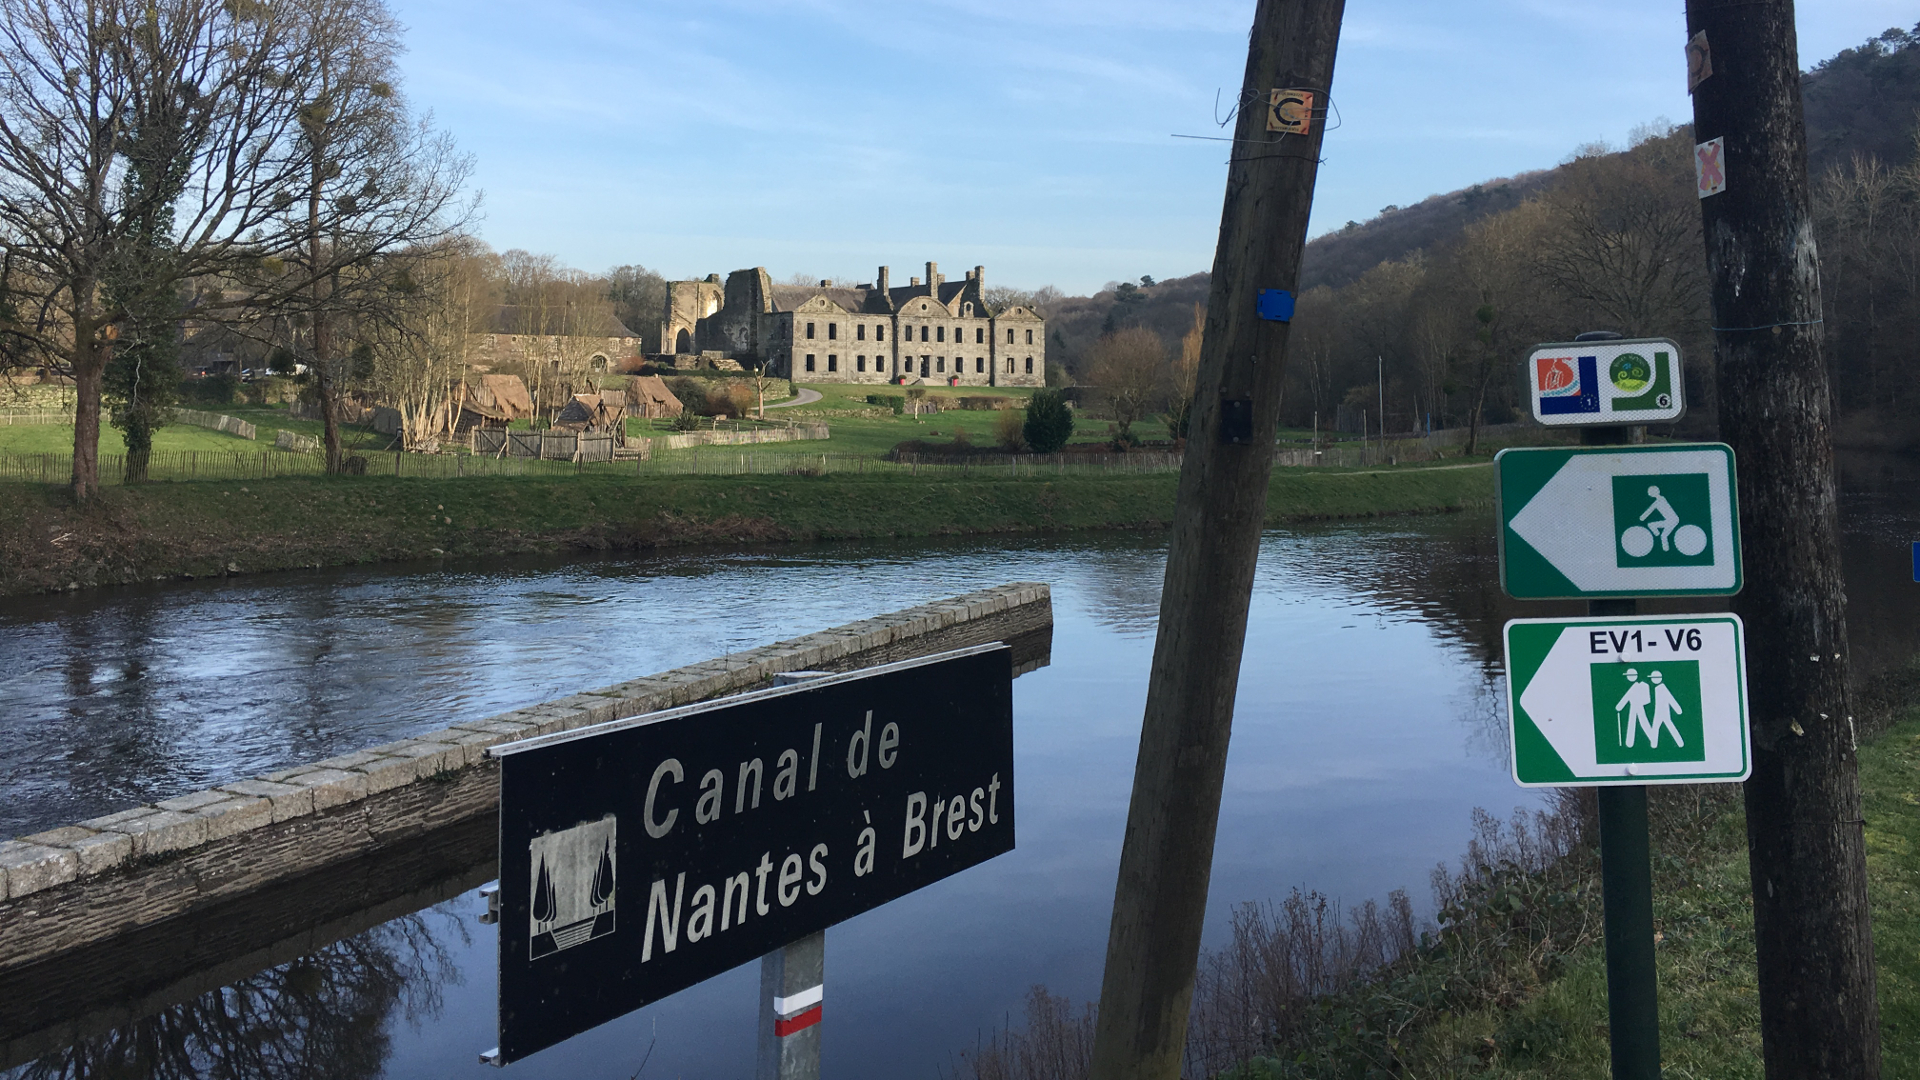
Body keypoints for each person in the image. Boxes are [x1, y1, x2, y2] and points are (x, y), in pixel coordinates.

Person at [1614, 668, 1652, 748]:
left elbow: (1647, 699)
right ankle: (1629, 742)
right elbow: (1626, 698)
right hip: (1634, 707)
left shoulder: (1642, 686)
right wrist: (1619, 707)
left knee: (1642, 722)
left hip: (1638, 707)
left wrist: (1619, 707)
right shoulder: (1634, 687)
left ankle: (1652, 738)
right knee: (1633, 723)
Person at [1648, 670, 1686, 748]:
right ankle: (1654, 744)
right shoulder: (1657, 688)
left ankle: (1680, 743)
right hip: (1658, 712)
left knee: (1664, 725)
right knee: (1657, 727)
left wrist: (1678, 710)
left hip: (1663, 712)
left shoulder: (1662, 688)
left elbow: (1671, 699)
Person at [1640, 485, 1681, 551]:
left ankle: (1664, 547)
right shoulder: (1659, 500)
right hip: (1671, 520)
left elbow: (1650, 509)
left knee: (1663, 535)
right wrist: (1642, 517)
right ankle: (1658, 536)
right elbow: (1650, 509)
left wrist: (1642, 517)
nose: (1650, 494)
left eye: (1651, 492)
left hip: (1673, 520)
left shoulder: (1660, 500)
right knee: (1661, 533)